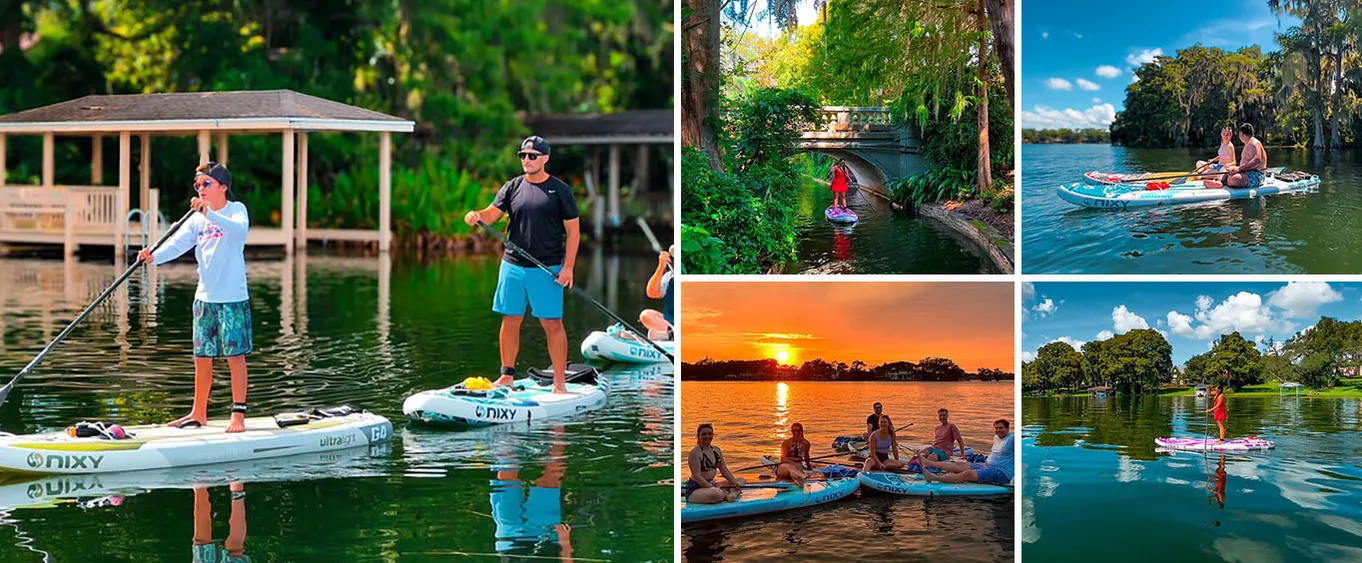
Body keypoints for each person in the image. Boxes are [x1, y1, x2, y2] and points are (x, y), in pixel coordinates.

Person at [139, 161, 252, 433]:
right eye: (197, 185)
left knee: (235, 356)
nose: (201, 189)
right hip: (205, 297)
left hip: (232, 297)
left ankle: (238, 414)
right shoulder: (196, 218)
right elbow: (178, 244)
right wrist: (154, 256)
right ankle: (198, 412)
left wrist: (209, 213)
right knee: (202, 355)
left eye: (206, 184)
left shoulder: (236, 211)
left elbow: (239, 232)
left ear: (223, 187)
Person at [464, 136, 580, 394]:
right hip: (513, 265)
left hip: (547, 268)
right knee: (510, 318)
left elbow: (573, 232)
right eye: (523, 155)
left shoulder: (560, 191)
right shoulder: (512, 186)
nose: (526, 160)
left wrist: (568, 267)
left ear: (545, 158)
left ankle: (560, 383)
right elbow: (491, 214)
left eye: (532, 156)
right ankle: (507, 375)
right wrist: (477, 216)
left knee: (551, 323)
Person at [919, 419, 1014, 486]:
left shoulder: (1012, 439)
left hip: (1002, 472)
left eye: (1001, 428)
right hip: (987, 465)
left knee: (967, 474)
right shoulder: (996, 437)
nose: (998, 430)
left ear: (1007, 428)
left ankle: (933, 477)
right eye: (996, 428)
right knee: (959, 464)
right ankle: (928, 463)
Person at [685, 424, 746, 504]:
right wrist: (712, 488)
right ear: (698, 436)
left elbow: (724, 471)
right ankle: (725, 493)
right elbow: (697, 477)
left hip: (712, 484)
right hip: (696, 488)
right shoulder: (695, 453)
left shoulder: (716, 450)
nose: (707, 436)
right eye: (704, 434)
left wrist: (735, 483)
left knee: (741, 480)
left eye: (709, 434)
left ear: (713, 435)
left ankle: (732, 494)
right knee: (717, 494)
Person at [639, 244, 674, 340]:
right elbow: (652, 293)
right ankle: (671, 335)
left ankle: (670, 335)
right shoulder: (671, 276)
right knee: (646, 315)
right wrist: (661, 266)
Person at [1223, 123, 1268, 189]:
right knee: (1225, 171)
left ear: (1242, 134)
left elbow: (1257, 160)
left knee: (1234, 179)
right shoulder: (1248, 144)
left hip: (1257, 175)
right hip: (1246, 172)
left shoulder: (1254, 143)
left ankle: (1226, 181)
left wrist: (1239, 169)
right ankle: (1223, 181)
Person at [776, 422, 813, 487]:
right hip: (784, 467)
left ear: (801, 431)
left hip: (798, 466)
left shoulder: (806, 444)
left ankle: (798, 483)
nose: (796, 433)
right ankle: (802, 476)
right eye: (794, 431)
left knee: (795, 472)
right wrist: (793, 463)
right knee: (790, 468)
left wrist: (810, 467)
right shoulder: (786, 442)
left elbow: (806, 457)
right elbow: (783, 458)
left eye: (798, 431)